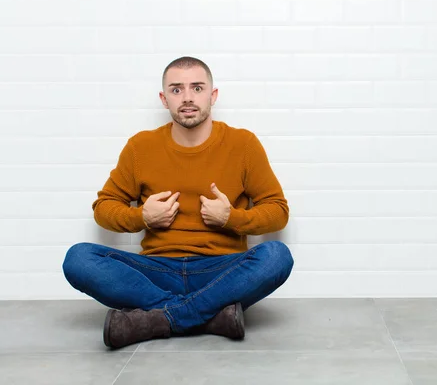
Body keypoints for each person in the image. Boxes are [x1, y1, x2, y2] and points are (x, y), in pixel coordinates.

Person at [62, 56, 294, 349]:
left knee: (276, 256)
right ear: (164, 98)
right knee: (78, 258)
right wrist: (142, 218)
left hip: (221, 272)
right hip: (156, 271)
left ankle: (161, 318)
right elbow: (104, 208)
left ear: (213, 95)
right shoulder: (140, 146)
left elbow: (278, 211)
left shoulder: (243, 144)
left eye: (197, 88)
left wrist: (231, 218)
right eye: (176, 89)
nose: (187, 98)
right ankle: (207, 316)